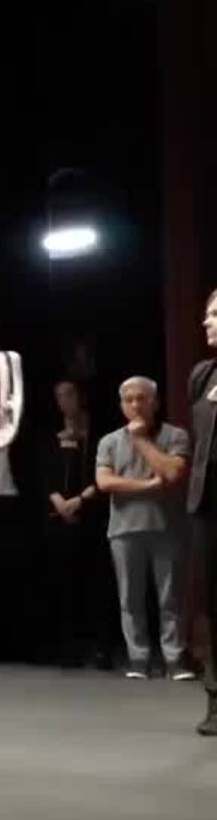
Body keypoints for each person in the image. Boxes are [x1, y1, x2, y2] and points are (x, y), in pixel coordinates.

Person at [95, 377, 193, 681]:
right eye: (129, 400)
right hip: (123, 530)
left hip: (167, 528)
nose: (136, 405)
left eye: (142, 398)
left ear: (155, 402)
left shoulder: (176, 435)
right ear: (122, 405)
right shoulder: (109, 441)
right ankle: (138, 658)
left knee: (170, 598)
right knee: (130, 598)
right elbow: (104, 482)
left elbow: (173, 472)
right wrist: (148, 486)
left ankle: (174, 659)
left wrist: (140, 441)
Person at [41, 380, 112, 669]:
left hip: (93, 515)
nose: (64, 400)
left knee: (97, 584)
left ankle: (103, 647)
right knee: (64, 584)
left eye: (68, 394)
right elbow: (43, 473)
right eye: (58, 395)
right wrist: (59, 501)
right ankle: (68, 647)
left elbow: (105, 473)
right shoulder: (52, 435)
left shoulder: (100, 436)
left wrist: (80, 501)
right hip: (60, 516)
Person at [187, 290, 217, 733]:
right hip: (208, 502)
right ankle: (215, 697)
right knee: (212, 604)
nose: (206, 321)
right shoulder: (202, 374)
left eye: (214, 314)